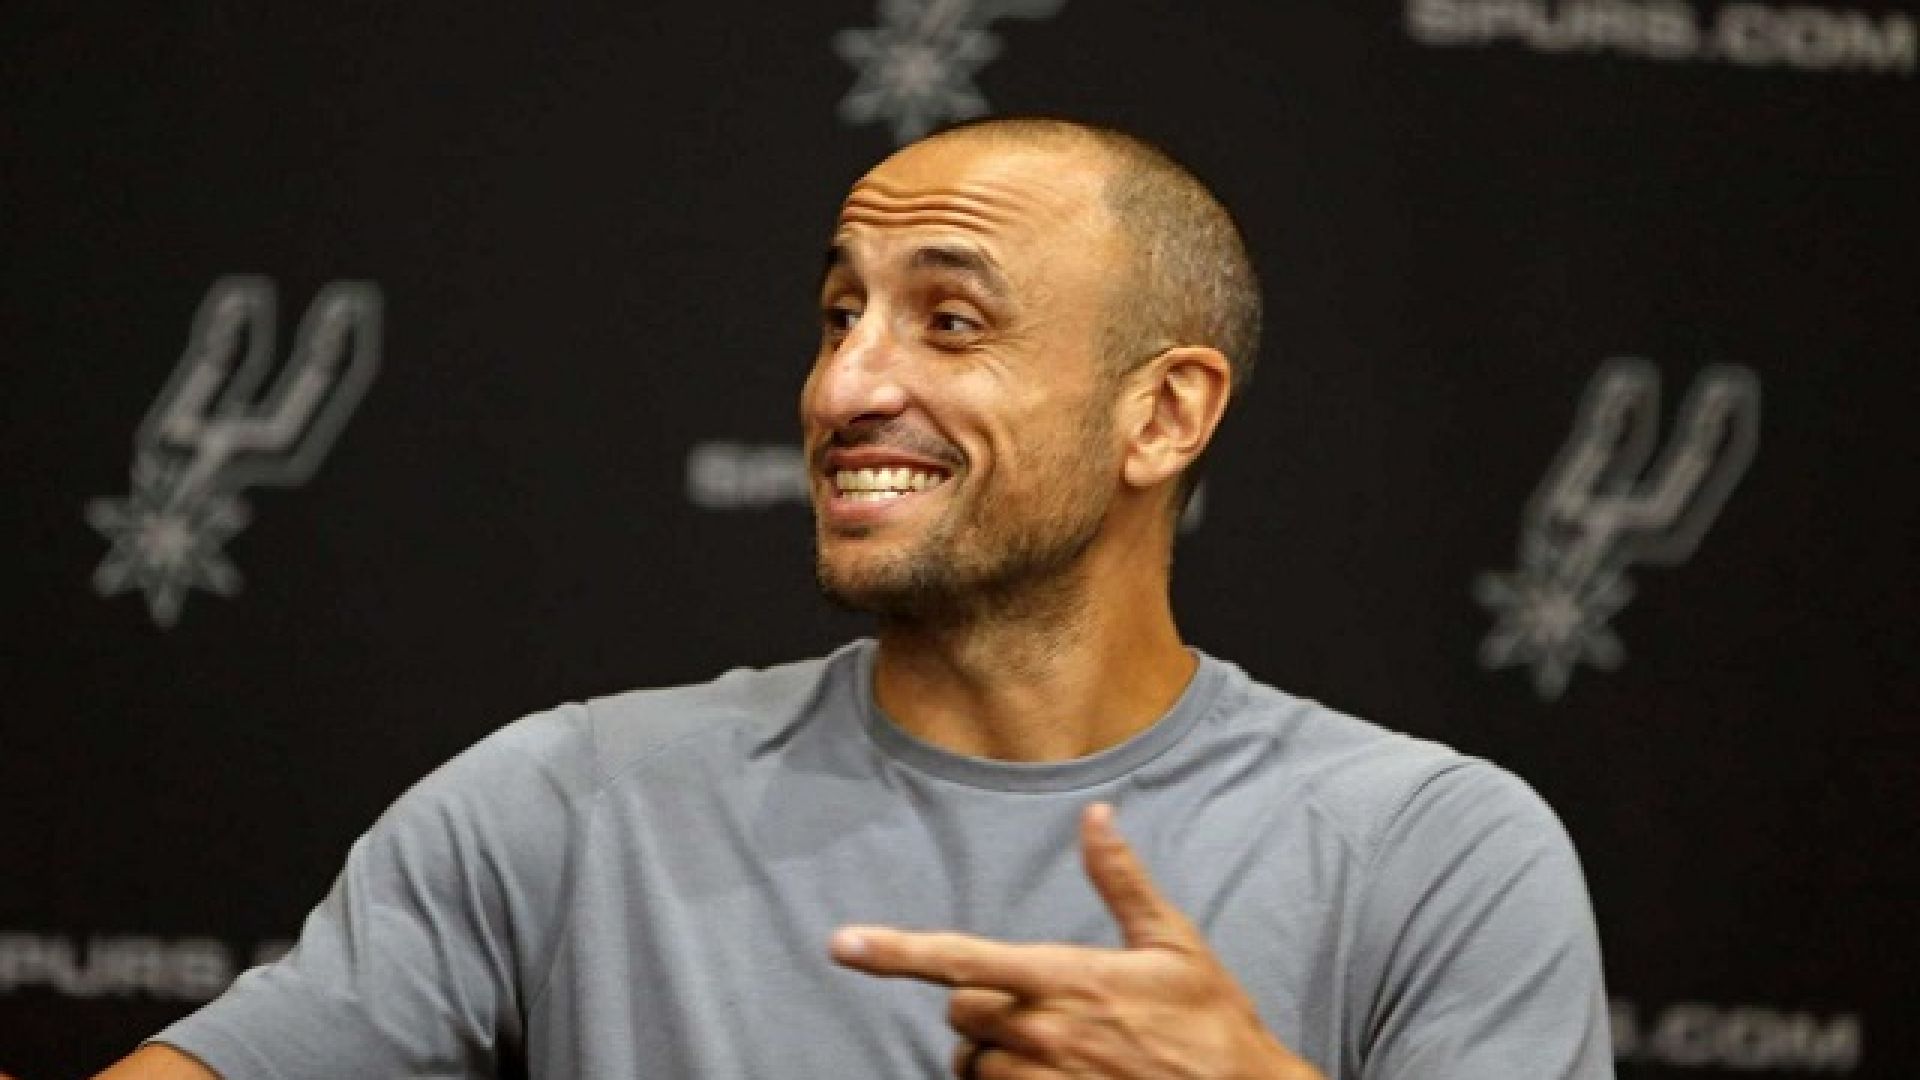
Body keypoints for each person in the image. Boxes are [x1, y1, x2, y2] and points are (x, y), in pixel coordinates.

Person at [96, 117, 1612, 1080]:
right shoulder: (572, 803)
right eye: (839, 316)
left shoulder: (1435, 852)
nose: (843, 387)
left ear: (1163, 415)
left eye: (949, 321)